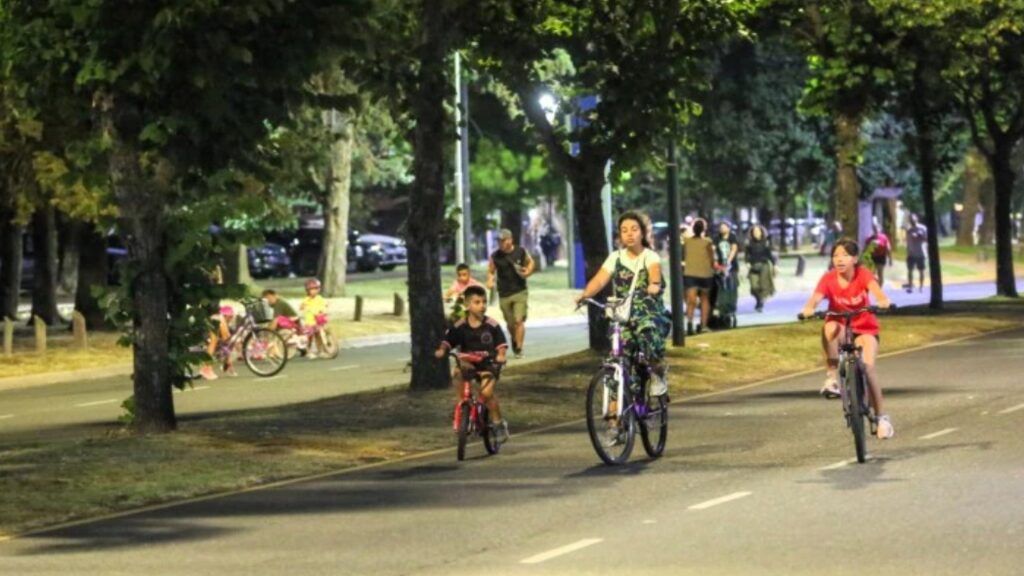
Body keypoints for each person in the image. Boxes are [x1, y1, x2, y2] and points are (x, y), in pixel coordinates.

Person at [800, 238, 895, 439]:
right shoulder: (828, 279)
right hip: (841, 328)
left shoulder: (863, 274)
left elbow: (877, 292)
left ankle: (881, 418)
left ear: (854, 258)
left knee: (868, 368)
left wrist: (883, 301)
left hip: (865, 330)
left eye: (845, 255)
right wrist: (809, 309)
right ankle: (832, 378)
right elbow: (816, 298)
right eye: (835, 255)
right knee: (829, 327)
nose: (839, 259)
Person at [575, 211, 671, 398]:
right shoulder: (615, 257)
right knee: (617, 360)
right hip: (624, 316)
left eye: (634, 229)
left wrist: (653, 285)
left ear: (642, 233)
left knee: (647, 332)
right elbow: (600, 280)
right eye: (624, 230)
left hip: (648, 314)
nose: (629, 234)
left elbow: (655, 275)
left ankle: (657, 373)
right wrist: (585, 295)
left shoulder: (650, 257)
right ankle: (614, 419)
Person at [434, 285, 510, 441]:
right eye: (477, 302)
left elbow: (501, 345)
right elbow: (448, 341)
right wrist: (442, 350)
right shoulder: (459, 326)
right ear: (467, 305)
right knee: (457, 373)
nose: (482, 305)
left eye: (484, 302)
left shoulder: (492, 325)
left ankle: (498, 424)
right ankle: (463, 404)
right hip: (468, 363)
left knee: (487, 394)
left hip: (488, 364)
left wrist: (501, 356)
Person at [487, 228, 535, 358]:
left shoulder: (521, 251)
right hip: (504, 293)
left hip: (520, 291)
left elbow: (531, 262)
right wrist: (490, 281)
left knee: (518, 321)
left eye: (503, 240)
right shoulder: (495, 256)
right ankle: (515, 339)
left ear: (510, 240)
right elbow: (491, 271)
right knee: (510, 323)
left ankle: (519, 348)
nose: (501, 243)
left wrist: (528, 272)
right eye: (499, 241)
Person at [683, 218, 716, 335]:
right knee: (704, 299)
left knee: (691, 300)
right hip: (705, 274)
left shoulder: (686, 241)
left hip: (690, 273)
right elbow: (712, 259)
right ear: (704, 229)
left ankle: (690, 322)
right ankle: (703, 325)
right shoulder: (707, 242)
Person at [200, 305, 237, 380]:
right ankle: (206, 369)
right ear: (226, 315)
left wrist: (228, 362)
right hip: (211, 318)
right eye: (230, 317)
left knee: (227, 339)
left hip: (214, 316)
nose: (230, 319)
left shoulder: (224, 320)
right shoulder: (219, 316)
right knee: (215, 341)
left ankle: (225, 365)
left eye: (232, 317)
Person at [745, 224, 777, 312]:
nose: (756, 233)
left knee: (763, 285)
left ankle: (761, 303)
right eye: (754, 231)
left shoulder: (766, 242)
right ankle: (759, 300)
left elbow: (771, 255)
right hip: (753, 265)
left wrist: (775, 266)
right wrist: (747, 262)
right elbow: (747, 255)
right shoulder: (749, 243)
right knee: (754, 286)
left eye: (758, 231)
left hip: (764, 265)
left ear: (761, 232)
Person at [300, 278, 328, 359]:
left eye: (316, 289)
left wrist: (324, 308)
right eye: (311, 289)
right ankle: (308, 351)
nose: (314, 291)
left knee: (318, 336)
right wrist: (304, 307)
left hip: (317, 320)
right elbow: (302, 306)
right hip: (309, 321)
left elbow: (323, 304)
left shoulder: (319, 298)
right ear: (307, 290)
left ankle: (321, 351)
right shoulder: (306, 300)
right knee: (309, 337)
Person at [904, 213, 928, 293]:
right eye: (910, 219)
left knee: (921, 270)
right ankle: (910, 286)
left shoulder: (922, 228)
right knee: (910, 270)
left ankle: (921, 287)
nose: (912, 220)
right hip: (911, 253)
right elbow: (908, 242)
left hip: (921, 252)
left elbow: (926, 239)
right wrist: (907, 251)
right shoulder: (909, 230)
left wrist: (918, 236)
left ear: (916, 219)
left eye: (913, 219)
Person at [864, 222, 892, 287]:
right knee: (872, 274)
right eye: (874, 228)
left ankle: (880, 288)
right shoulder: (869, 239)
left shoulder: (884, 237)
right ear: (872, 229)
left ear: (879, 229)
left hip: (881, 257)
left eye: (876, 228)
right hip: (873, 257)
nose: (875, 229)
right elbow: (865, 249)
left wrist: (890, 259)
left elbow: (888, 248)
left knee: (880, 273)